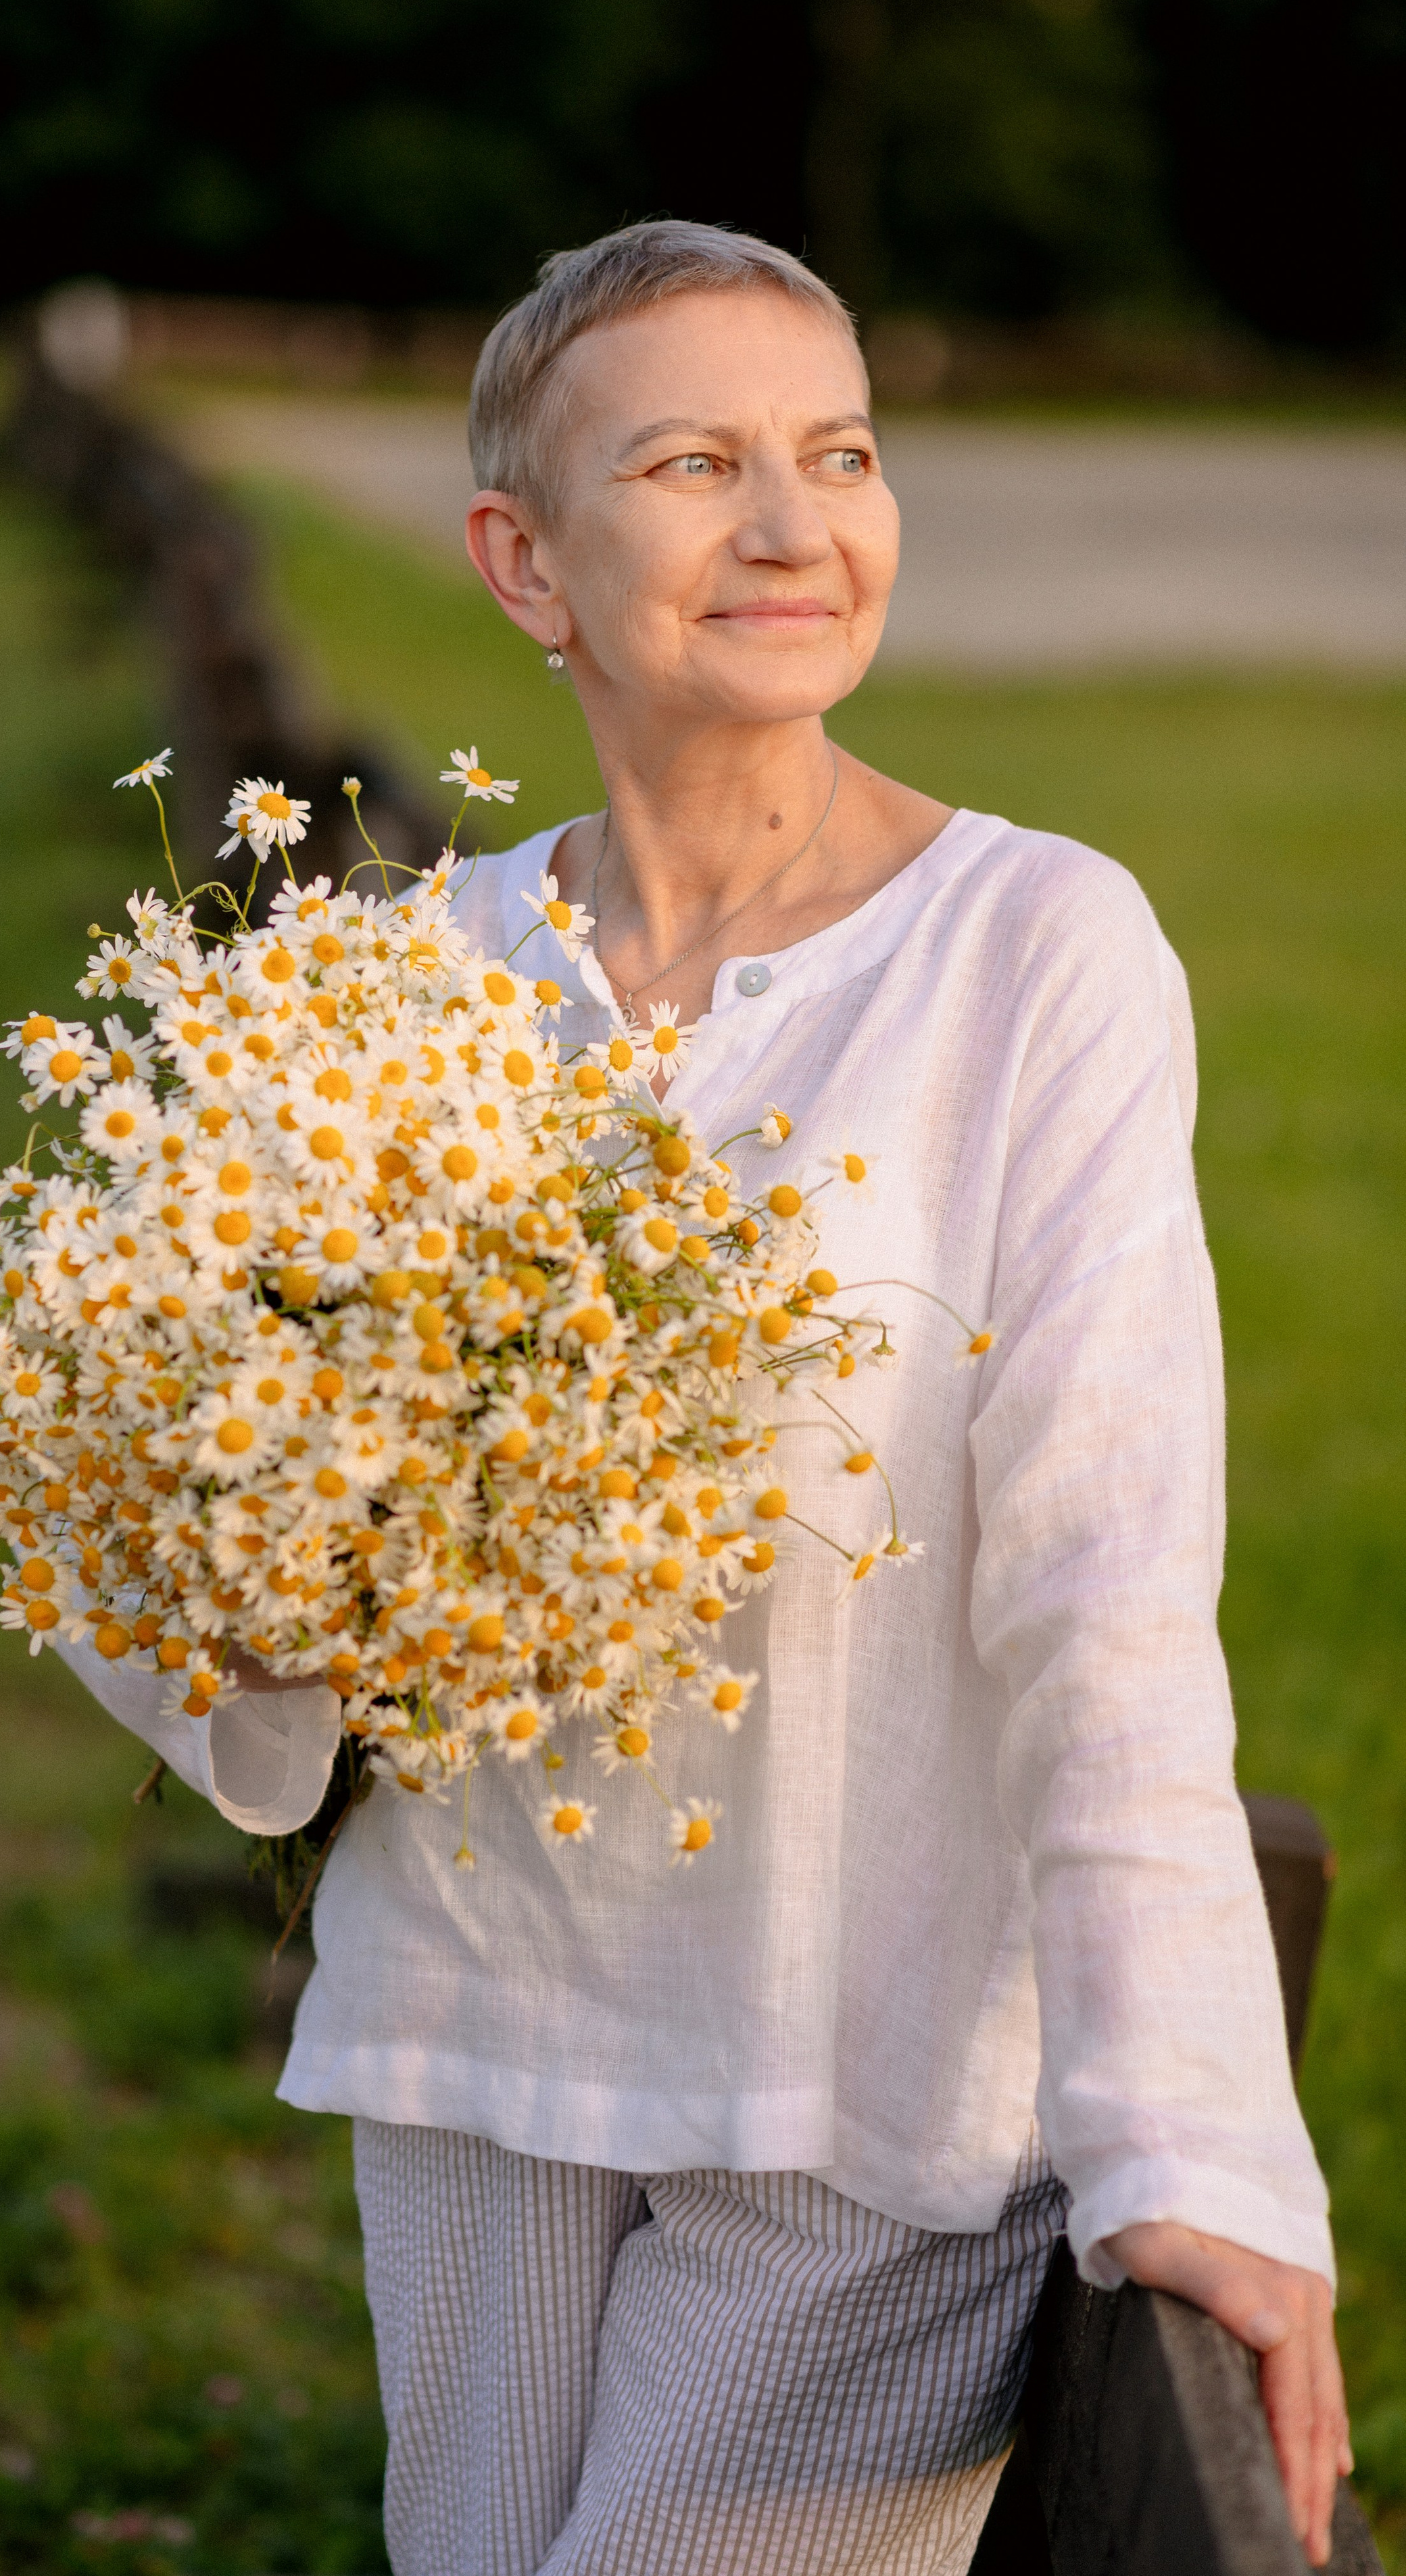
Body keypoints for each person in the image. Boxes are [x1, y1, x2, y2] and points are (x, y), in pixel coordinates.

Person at [76, 220, 1349, 2574]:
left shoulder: (1035, 955)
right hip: (471, 2042)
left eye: (838, 451)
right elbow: (150, 1519)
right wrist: (268, 1599)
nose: (795, 523)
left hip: (861, 2105)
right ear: (526, 561)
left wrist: (1192, 2144)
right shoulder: (389, 992)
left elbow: (1110, 1581)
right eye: (693, 461)